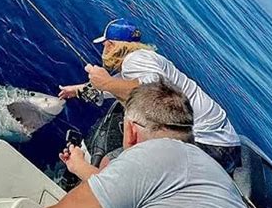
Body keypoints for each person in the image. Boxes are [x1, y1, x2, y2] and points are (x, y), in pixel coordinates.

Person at [32, 81, 255, 208]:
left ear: (129, 129)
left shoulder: (151, 156)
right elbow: (138, 190)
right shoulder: (212, 171)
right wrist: (79, 168)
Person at [59, 18, 241, 173]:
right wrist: (77, 90)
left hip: (207, 146)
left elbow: (155, 91)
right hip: (225, 144)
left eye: (105, 45)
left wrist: (105, 82)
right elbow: (117, 86)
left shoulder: (135, 60)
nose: (104, 51)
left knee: (112, 165)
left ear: (112, 45)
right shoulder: (145, 58)